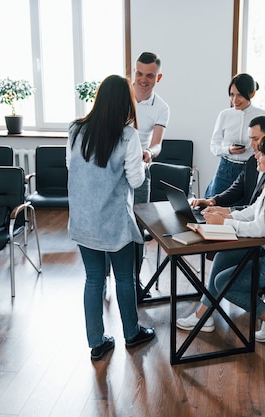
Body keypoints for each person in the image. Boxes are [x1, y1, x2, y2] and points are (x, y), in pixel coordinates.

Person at [177, 133, 265, 343]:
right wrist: (226, 214)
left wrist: (224, 223)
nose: (256, 155)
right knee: (225, 254)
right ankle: (203, 315)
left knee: (224, 282)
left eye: (261, 152)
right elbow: (252, 211)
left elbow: (258, 228)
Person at [67, 75, 156, 362]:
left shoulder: (75, 129)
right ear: (124, 103)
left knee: (93, 279)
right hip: (114, 220)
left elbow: (72, 166)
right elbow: (136, 179)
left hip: (83, 217)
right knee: (125, 278)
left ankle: (97, 342)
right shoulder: (128, 136)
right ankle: (132, 333)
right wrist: (143, 160)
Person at [132, 51, 170, 295]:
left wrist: (149, 152)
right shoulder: (121, 96)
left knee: (137, 229)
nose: (143, 80)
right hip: (113, 172)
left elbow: (157, 144)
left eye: (149, 75)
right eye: (138, 73)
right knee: (110, 226)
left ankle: (134, 281)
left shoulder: (162, 107)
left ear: (159, 77)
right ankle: (104, 277)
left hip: (140, 169)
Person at [204, 73, 265, 202]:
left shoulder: (264, 116)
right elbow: (214, 147)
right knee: (213, 204)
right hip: (226, 169)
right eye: (231, 95)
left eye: (239, 95)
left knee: (244, 209)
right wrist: (228, 149)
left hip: (252, 168)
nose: (235, 100)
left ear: (252, 94)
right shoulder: (224, 115)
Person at [192, 115, 265, 210]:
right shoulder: (252, 161)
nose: (251, 144)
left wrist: (226, 213)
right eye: (250, 139)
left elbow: (257, 210)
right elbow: (236, 190)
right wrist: (212, 201)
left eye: (256, 139)